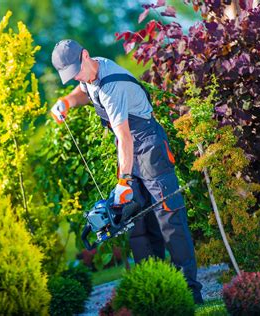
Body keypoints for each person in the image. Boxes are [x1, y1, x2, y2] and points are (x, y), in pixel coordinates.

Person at [50, 39, 204, 304]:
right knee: (138, 224)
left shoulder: (112, 87)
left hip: (149, 147)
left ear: (86, 54)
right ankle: (155, 291)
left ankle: (190, 294)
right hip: (132, 151)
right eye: (71, 74)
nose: (77, 76)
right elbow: (82, 91)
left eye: (77, 69)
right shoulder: (90, 74)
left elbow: (124, 138)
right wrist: (66, 102)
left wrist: (124, 181)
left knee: (170, 222)